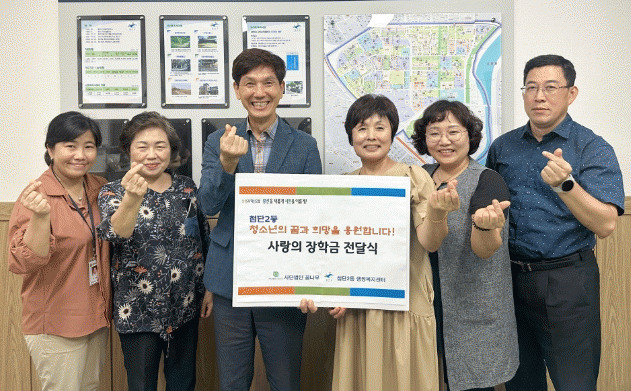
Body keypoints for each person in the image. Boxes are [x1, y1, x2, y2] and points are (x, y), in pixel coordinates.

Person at [301, 94, 458, 391]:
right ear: (351, 136)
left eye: (380, 127)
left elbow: (430, 242)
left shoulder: (413, 177)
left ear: (392, 133)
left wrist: (438, 213)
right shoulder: (342, 185)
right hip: (356, 309)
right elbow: (332, 253)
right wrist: (326, 293)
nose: (371, 136)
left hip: (405, 304)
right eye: (362, 128)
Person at [486, 55, 625, 391]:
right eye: (531, 88)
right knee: (519, 381)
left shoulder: (591, 147)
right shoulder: (503, 147)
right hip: (509, 278)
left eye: (550, 87)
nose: (539, 96)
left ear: (571, 93)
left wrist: (565, 185)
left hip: (567, 281)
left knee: (574, 382)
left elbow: (606, 225)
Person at [198, 48, 322, 391]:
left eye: (268, 82)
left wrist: (310, 280)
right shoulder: (218, 141)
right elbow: (208, 204)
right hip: (229, 278)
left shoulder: (304, 145)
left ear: (282, 88)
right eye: (249, 83)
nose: (259, 92)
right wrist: (226, 163)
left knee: (285, 381)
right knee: (232, 382)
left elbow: (313, 215)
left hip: (284, 279)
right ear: (237, 90)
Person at [97, 112, 211, 391]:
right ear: (128, 150)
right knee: (141, 385)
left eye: (160, 146)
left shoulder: (187, 188)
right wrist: (132, 199)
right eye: (142, 146)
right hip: (137, 310)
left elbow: (203, 239)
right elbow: (115, 233)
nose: (152, 154)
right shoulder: (112, 192)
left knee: (183, 383)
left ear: (171, 150)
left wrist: (209, 289)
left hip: (185, 306)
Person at [412, 100, 518, 391]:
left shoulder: (488, 180)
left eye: (453, 132)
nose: (444, 141)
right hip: (426, 305)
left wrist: (484, 224)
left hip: (473, 309)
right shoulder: (419, 177)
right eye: (434, 133)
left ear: (470, 136)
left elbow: (485, 249)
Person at [8, 111, 111, 391]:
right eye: (70, 146)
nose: (80, 155)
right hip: (56, 323)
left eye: (88, 146)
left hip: (96, 316)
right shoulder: (37, 195)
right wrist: (41, 217)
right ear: (50, 150)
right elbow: (23, 262)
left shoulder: (99, 188)